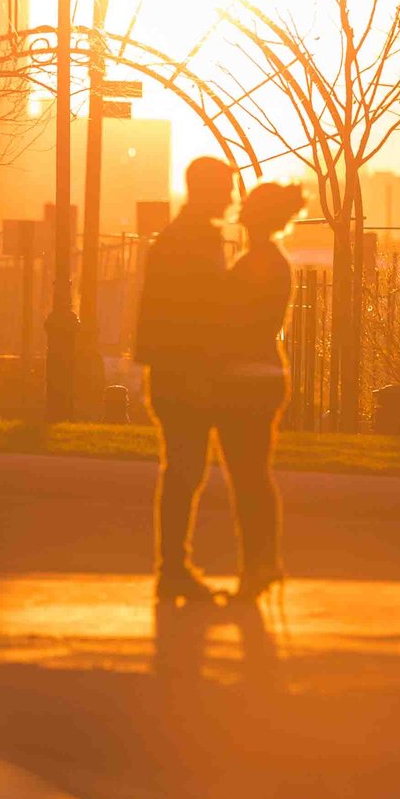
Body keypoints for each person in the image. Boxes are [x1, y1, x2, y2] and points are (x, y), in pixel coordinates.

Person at [134, 156, 236, 603]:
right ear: (206, 190)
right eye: (226, 188)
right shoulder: (189, 242)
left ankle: (173, 565)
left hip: (179, 371)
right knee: (184, 471)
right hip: (185, 374)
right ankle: (172, 567)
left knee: (184, 471)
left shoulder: (183, 238)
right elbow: (196, 311)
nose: (232, 197)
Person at [212, 180, 303, 603]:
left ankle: (257, 565)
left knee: (245, 478)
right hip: (265, 375)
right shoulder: (275, 262)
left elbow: (228, 318)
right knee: (255, 476)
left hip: (242, 379)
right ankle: (264, 562)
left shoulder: (256, 263)